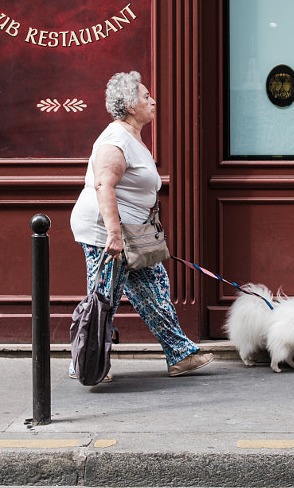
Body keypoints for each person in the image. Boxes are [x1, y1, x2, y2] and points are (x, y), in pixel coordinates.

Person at [70, 71, 214, 379]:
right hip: (106, 230)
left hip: (133, 232)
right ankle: (85, 362)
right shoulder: (115, 138)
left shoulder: (131, 135)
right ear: (130, 105)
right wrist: (113, 233)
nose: (153, 100)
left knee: (154, 288)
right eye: (146, 96)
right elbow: (103, 185)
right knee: (104, 295)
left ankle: (180, 354)